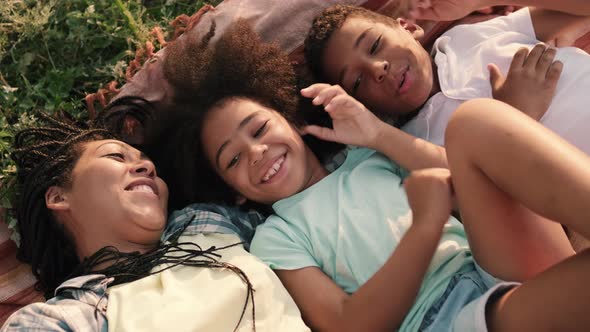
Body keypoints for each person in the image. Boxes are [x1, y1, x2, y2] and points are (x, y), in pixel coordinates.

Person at [158, 21, 590, 331]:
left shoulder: (367, 156)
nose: (256, 152)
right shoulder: (278, 238)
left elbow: (476, 180)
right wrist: (423, 229)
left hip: (493, 264)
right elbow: (349, 324)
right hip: (449, 318)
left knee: (473, 123)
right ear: (232, 193)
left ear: (289, 120)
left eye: (259, 129)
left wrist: (377, 134)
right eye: (232, 160)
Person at [1, 113, 309, 331]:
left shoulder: (205, 223)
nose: (146, 166)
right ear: (59, 197)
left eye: (146, 161)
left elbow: (310, 210)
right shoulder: (74, 316)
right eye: (116, 157)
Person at [303, 4, 590, 155]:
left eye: (375, 45)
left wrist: (481, 1)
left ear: (409, 27)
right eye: (356, 82)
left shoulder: (467, 37)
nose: (377, 68)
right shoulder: (418, 148)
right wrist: (517, 115)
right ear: (362, 105)